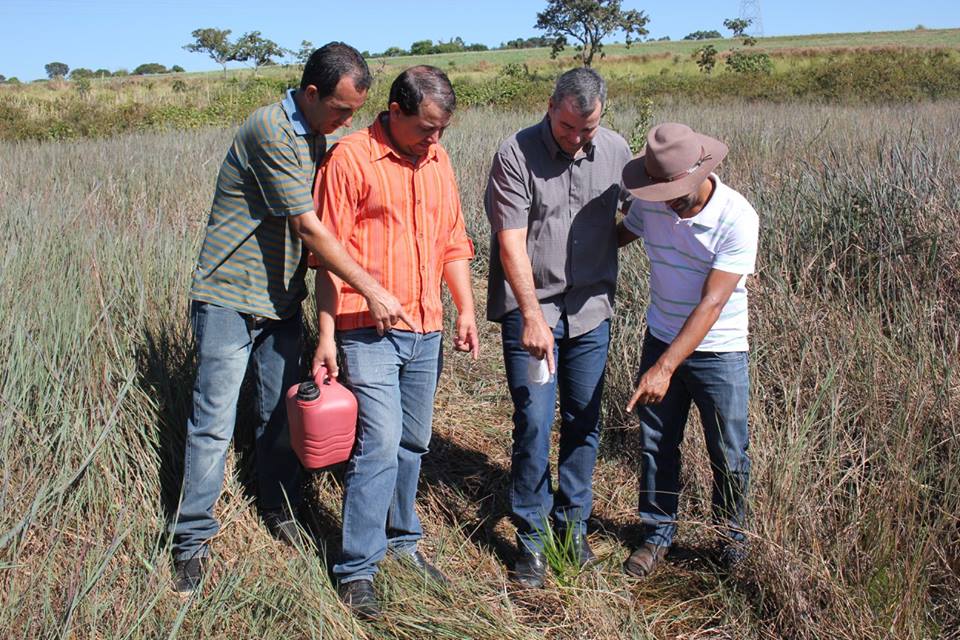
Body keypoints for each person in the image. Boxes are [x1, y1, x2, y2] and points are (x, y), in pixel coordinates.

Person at [170, 42, 409, 594]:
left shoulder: (316, 136)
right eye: (341, 110)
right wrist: (371, 289)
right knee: (213, 423)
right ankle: (191, 541)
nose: (346, 121)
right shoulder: (272, 131)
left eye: (354, 112)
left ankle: (278, 508)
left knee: (280, 416)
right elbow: (308, 227)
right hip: (229, 298)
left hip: (280, 302)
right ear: (311, 93)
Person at [312, 65, 478, 620]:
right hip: (367, 329)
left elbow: (453, 241)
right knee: (379, 443)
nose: (435, 138)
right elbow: (326, 254)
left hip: (427, 328)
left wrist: (465, 309)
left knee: (413, 441)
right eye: (426, 127)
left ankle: (402, 541)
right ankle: (357, 569)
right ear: (396, 111)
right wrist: (326, 336)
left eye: (442, 129)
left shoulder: (438, 160)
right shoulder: (350, 159)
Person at [484, 67, 633, 588]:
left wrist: (615, 240)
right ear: (551, 107)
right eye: (568, 126)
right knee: (533, 420)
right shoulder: (516, 153)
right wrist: (529, 316)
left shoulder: (616, 150)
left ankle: (573, 528)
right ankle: (531, 538)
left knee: (583, 419)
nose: (576, 138)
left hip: (591, 308)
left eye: (587, 129)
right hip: (536, 310)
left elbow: (635, 216)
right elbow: (510, 241)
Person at [617, 122, 759, 577]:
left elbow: (712, 302)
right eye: (662, 192)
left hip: (720, 352)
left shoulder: (737, 217)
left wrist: (664, 367)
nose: (669, 202)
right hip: (661, 336)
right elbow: (620, 235)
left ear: (701, 171)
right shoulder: (651, 201)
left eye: (677, 192)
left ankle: (731, 543)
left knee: (729, 452)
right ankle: (657, 534)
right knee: (657, 443)